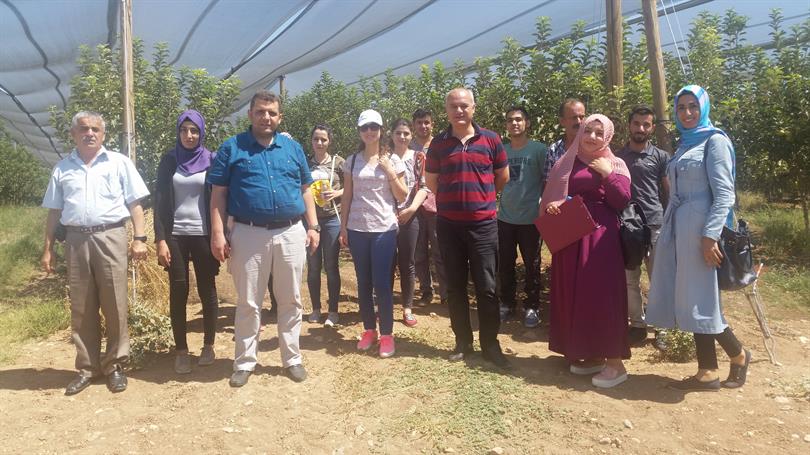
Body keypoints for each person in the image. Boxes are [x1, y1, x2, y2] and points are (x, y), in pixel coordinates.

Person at [208, 90, 319, 387]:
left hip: (290, 232)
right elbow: (218, 194)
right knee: (248, 301)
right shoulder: (232, 148)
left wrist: (313, 226)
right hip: (248, 233)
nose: (266, 117)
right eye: (260, 112)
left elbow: (305, 189)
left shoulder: (292, 148)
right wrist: (218, 233)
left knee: (291, 298)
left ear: (280, 117)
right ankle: (245, 361)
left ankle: (292, 358)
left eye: (271, 112)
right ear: (250, 115)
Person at [646, 85, 751, 391]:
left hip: (701, 232)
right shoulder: (686, 143)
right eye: (681, 107)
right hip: (680, 230)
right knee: (691, 298)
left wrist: (710, 236)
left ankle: (738, 353)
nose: (687, 112)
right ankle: (708, 370)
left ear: (703, 108)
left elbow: (724, 195)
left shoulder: (714, 141)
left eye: (693, 106)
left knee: (700, 298)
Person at [41, 111, 149, 395]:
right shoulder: (62, 168)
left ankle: (115, 365)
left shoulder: (118, 163)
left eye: (95, 129)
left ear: (103, 134)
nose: (89, 133)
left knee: (115, 303)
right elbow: (54, 212)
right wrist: (48, 249)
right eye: (83, 129)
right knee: (82, 306)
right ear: (73, 134)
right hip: (75, 240)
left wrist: (139, 238)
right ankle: (88, 368)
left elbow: (135, 204)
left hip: (110, 236)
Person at [541, 113, 631, 388]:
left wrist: (608, 174)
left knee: (602, 296)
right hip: (572, 235)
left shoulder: (614, 163)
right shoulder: (567, 161)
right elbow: (557, 195)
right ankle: (590, 355)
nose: (592, 137)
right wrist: (555, 205)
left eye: (598, 133)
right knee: (578, 295)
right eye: (588, 130)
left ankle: (615, 364)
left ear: (608, 136)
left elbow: (622, 200)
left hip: (600, 239)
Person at [425, 88, 512, 370]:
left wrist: (480, 200)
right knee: (455, 287)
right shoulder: (438, 144)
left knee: (487, 287)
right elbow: (431, 181)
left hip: (483, 226)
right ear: (447, 111)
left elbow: (502, 176)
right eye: (453, 106)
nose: (459, 110)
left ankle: (490, 345)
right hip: (449, 226)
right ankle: (463, 342)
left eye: (464, 105)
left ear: (473, 108)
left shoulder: (491, 139)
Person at [154, 109, 220, 374]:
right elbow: (160, 202)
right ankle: (181, 350)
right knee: (178, 290)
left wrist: (220, 234)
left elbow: (219, 199)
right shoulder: (169, 160)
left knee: (207, 289)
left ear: (201, 133)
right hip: (176, 236)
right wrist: (160, 239)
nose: (189, 135)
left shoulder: (212, 160)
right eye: (184, 130)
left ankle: (208, 345)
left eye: (194, 130)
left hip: (204, 235)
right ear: (178, 132)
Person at [339, 109, 408, 358]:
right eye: (364, 127)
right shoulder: (352, 161)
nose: (369, 131)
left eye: (374, 127)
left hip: (383, 230)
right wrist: (343, 227)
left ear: (381, 130)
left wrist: (389, 171)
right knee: (364, 283)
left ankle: (387, 334)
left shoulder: (393, 160)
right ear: (359, 131)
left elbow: (402, 195)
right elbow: (347, 196)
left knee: (382, 283)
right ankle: (369, 329)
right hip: (357, 229)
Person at [615, 105, 670, 347]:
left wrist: (671, 222)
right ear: (629, 125)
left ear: (652, 128)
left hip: (655, 225)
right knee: (630, 279)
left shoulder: (661, 157)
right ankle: (637, 325)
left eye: (646, 124)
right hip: (629, 228)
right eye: (636, 123)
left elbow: (669, 192)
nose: (640, 128)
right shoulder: (617, 158)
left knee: (659, 278)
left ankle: (662, 327)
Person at [497, 106, 547, 328]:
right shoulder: (501, 150)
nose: (514, 123)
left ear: (527, 123)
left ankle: (532, 306)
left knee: (532, 265)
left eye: (518, 119)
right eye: (510, 120)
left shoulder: (539, 150)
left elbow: (548, 180)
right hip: (505, 218)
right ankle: (507, 303)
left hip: (531, 219)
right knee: (505, 264)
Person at [390, 119, 429, 327]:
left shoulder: (418, 157)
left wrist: (411, 209)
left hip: (411, 216)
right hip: (386, 218)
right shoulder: (384, 157)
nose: (402, 137)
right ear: (391, 135)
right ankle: (385, 307)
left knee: (408, 263)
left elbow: (424, 187)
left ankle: (407, 308)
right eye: (398, 133)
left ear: (411, 135)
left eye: (406, 133)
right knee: (387, 263)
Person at [306, 124, 344, 326]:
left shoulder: (339, 163)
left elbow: (352, 186)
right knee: (313, 267)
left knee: (331, 266)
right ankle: (315, 309)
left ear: (329, 141)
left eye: (323, 139)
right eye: (316, 139)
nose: (319, 143)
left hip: (332, 220)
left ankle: (333, 311)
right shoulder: (305, 163)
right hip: (311, 222)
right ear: (311, 141)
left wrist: (337, 193)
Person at [410, 108, 447, 306]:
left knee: (440, 250)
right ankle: (426, 291)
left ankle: (446, 292)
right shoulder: (409, 146)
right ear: (413, 125)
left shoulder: (440, 144)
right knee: (419, 252)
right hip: (414, 206)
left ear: (432, 124)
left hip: (437, 205)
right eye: (419, 122)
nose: (423, 126)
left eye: (426, 122)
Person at [543, 99, 586, 185]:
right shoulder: (554, 150)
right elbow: (548, 185)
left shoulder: (595, 146)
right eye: (574, 118)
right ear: (562, 121)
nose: (579, 121)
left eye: (582, 117)